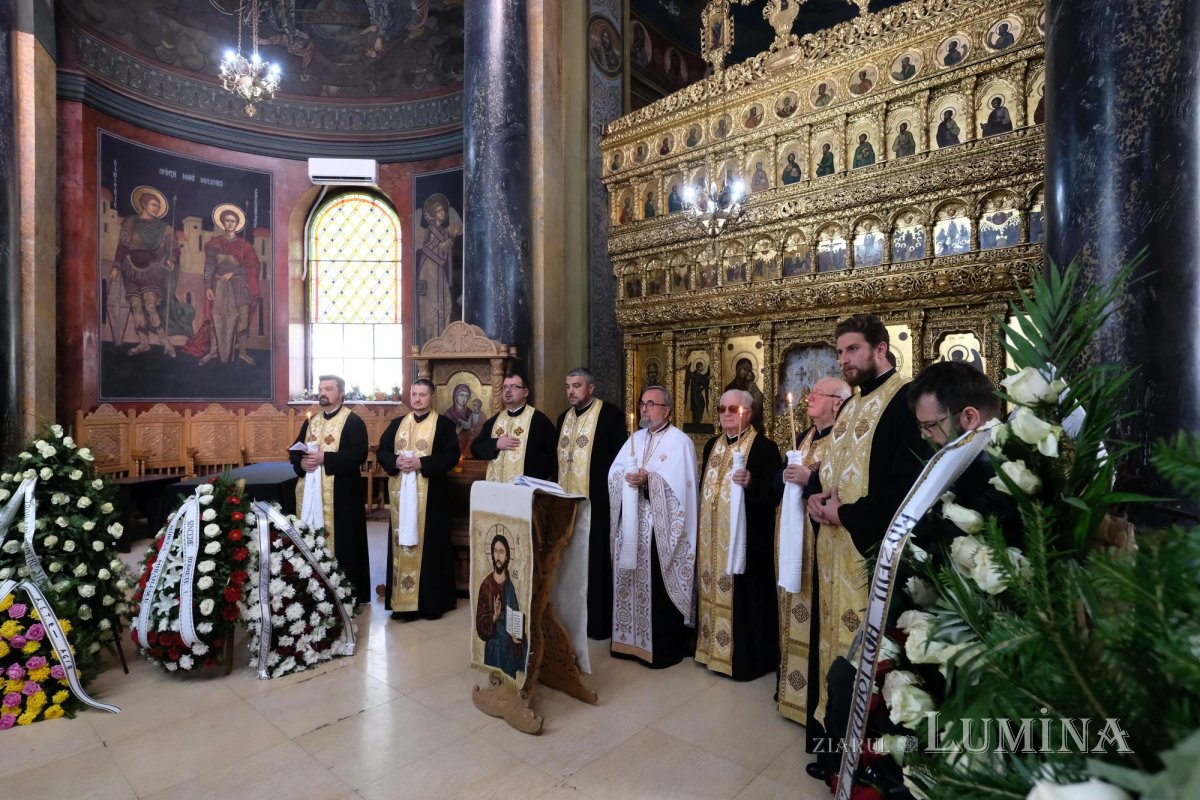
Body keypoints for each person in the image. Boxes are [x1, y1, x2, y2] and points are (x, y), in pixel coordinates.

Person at [804, 315, 932, 781]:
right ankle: (833, 748)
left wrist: (846, 516)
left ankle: (865, 763)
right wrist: (817, 493)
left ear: (880, 349)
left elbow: (904, 485)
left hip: (870, 555)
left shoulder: (903, 401)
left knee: (865, 657)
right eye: (840, 352)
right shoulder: (853, 406)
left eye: (853, 350)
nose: (845, 360)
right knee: (835, 653)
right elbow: (831, 467)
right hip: (836, 553)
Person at [774, 376, 850, 725]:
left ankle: (815, 700)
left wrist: (811, 480)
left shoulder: (844, 438)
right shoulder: (805, 437)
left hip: (823, 542)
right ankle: (791, 690)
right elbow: (784, 479)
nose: (809, 398)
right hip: (793, 539)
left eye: (816, 394)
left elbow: (843, 487)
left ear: (837, 402)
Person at [607, 385, 697, 668]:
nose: (645, 409)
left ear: (666, 410)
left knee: (656, 586)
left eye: (651, 404)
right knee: (627, 578)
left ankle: (661, 648)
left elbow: (683, 489)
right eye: (643, 404)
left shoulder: (680, 441)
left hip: (661, 531)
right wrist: (627, 477)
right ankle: (627, 642)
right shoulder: (635, 438)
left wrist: (651, 481)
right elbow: (614, 472)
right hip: (632, 527)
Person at [695, 390, 782, 680]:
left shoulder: (764, 448)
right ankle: (711, 651)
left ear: (748, 412)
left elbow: (773, 496)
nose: (725, 414)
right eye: (720, 409)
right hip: (711, 544)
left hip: (748, 542)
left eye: (732, 408)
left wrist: (751, 482)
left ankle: (746, 660)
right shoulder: (711, 446)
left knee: (748, 599)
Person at [377, 378, 460, 621]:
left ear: (431, 397)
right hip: (402, 498)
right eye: (414, 394)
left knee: (431, 549)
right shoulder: (396, 424)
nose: (417, 398)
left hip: (432, 499)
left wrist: (421, 463)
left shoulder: (444, 425)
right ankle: (403, 605)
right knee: (402, 545)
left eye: (422, 394)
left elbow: (451, 456)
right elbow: (381, 451)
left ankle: (430, 604)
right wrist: (396, 461)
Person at [555, 367, 627, 639]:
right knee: (568, 564)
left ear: (591, 388)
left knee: (595, 565)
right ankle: (568, 619)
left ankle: (597, 624)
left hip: (597, 506)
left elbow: (618, 461)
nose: (571, 391)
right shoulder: (563, 419)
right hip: (565, 506)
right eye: (567, 386)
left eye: (576, 386)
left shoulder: (609, 416)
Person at [290, 375, 371, 604]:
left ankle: (346, 591)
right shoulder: (311, 421)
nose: (322, 392)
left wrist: (326, 457)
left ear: (341, 393)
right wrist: (301, 463)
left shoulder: (353, 422)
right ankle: (315, 587)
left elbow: (358, 454)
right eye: (320, 388)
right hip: (311, 494)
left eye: (328, 388)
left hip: (341, 494)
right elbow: (296, 451)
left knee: (345, 541)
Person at [109, 186, 178, 358]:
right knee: (135, 305)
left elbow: (174, 248)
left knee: (150, 305)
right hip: (130, 268)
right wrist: (117, 266)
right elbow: (123, 245)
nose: (157, 208)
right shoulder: (131, 222)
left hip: (151, 269)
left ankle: (164, 340)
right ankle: (143, 342)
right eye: (154, 205)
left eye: (158, 206)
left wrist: (171, 259)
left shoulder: (164, 227)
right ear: (144, 205)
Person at [198, 206, 261, 366]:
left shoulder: (244, 245)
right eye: (227, 220)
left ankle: (242, 353)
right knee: (215, 318)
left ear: (237, 224)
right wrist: (207, 287)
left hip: (240, 286)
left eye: (233, 221)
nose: (230, 224)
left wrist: (234, 273)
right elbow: (209, 266)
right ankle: (213, 352)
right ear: (223, 223)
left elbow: (252, 266)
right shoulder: (214, 244)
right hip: (220, 285)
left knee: (243, 319)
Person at [471, 371, 557, 483]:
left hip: (527, 491)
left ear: (525, 392)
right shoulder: (493, 422)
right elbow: (475, 449)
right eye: (505, 387)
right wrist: (496, 444)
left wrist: (539, 480)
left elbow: (554, 456)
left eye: (513, 387)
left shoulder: (539, 421)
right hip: (497, 490)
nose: (507, 390)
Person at [476, 533, 527, 678]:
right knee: (497, 680)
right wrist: (494, 617)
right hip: (495, 646)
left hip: (511, 643)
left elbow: (518, 612)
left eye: (501, 551)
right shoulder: (486, 585)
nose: (498, 556)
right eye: (495, 551)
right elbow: (480, 622)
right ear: (492, 554)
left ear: (507, 556)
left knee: (510, 680)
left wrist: (518, 634)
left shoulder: (512, 584)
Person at [414, 194, 463, 344]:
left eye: (443, 210)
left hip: (439, 271)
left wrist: (451, 237)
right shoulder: (429, 232)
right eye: (439, 211)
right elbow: (438, 249)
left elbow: (445, 248)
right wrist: (450, 240)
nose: (442, 213)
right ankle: (432, 340)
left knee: (446, 302)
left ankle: (444, 338)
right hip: (429, 271)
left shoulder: (444, 232)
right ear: (433, 214)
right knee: (430, 306)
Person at [724, 357, 764, 431]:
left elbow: (761, 400)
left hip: (751, 422)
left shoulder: (751, 385)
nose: (747, 373)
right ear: (738, 370)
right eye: (744, 369)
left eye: (749, 371)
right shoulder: (730, 387)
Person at [444, 382, 475, 457]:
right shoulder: (449, 414)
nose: (464, 399)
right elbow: (444, 435)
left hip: (468, 449)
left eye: (466, 396)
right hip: (452, 451)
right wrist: (458, 431)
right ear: (456, 395)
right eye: (461, 395)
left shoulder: (470, 413)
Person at [685, 360, 711, 426]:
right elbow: (699, 381)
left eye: (702, 366)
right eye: (700, 367)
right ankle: (695, 421)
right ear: (697, 367)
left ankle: (698, 420)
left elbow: (702, 381)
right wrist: (707, 379)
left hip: (698, 392)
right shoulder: (694, 374)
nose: (702, 368)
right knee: (696, 406)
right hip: (695, 393)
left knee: (702, 403)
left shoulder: (700, 375)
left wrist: (708, 379)